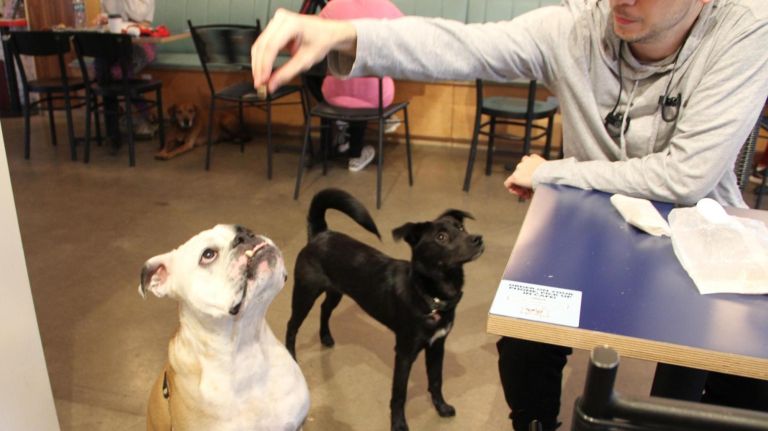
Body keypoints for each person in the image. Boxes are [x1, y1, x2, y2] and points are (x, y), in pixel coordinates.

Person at [249, 1, 768, 430]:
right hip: (589, 223)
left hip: (701, 238)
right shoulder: (578, 26)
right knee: (523, 341)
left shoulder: (747, 31)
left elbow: (685, 178)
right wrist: (346, 35)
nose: (621, 0)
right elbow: (464, 45)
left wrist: (555, 173)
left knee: (735, 376)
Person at [318, 0, 403, 172]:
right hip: (375, 98)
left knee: (331, 80)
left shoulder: (333, 6)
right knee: (366, 89)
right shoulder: (386, 7)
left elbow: (313, 39)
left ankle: (342, 126)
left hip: (333, 96)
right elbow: (408, 40)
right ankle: (356, 155)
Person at [94, 0, 157, 147]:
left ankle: (142, 113)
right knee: (99, 67)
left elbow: (141, 18)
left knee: (116, 73)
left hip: (141, 44)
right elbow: (106, 18)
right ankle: (114, 128)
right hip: (114, 45)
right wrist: (102, 19)